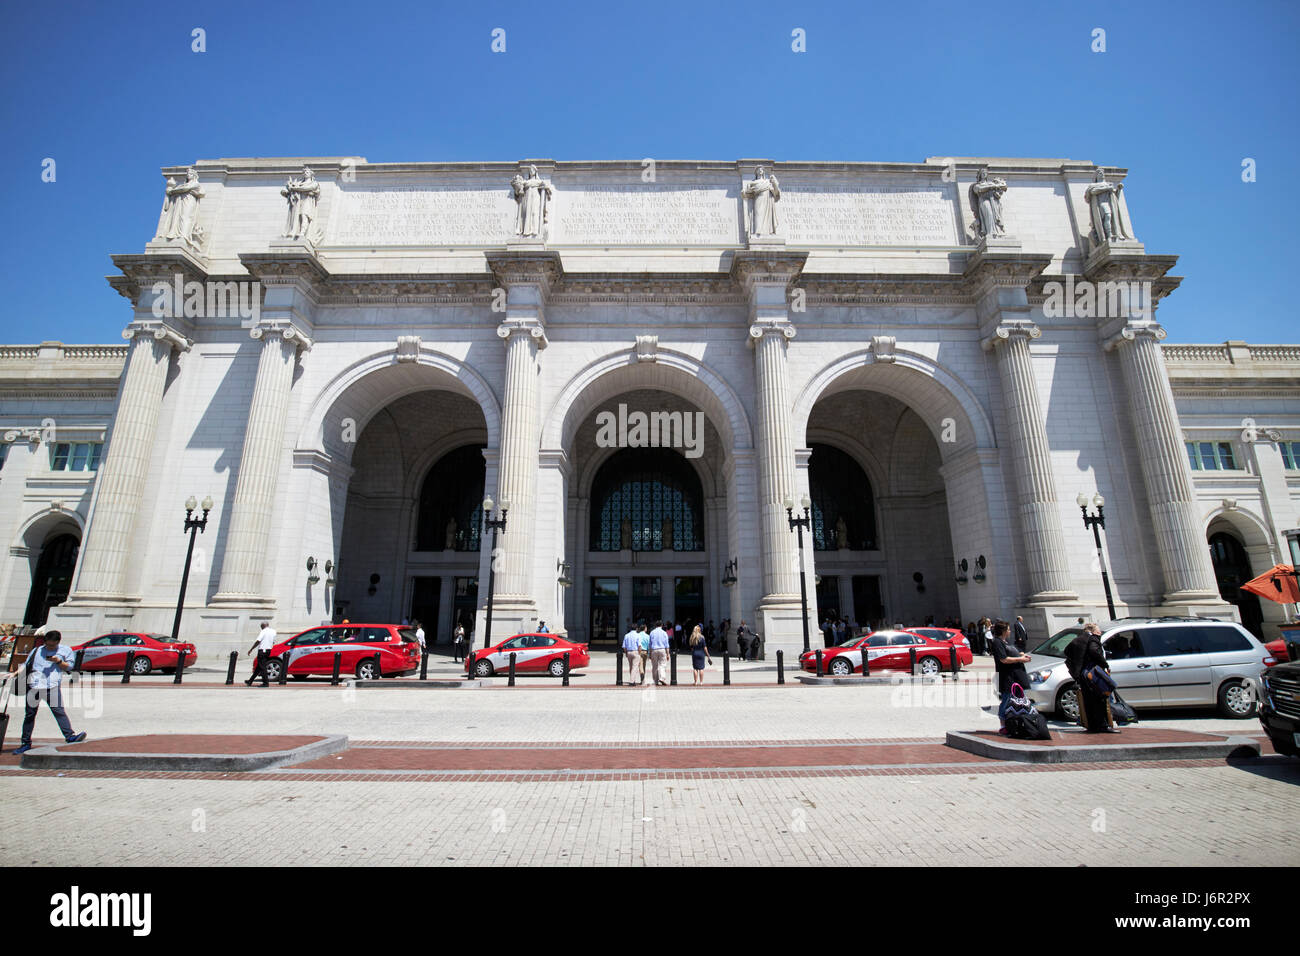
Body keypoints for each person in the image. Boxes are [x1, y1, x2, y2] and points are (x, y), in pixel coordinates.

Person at [13, 631, 86, 754]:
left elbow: (69, 667)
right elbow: (26, 664)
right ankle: (25, 742)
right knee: (30, 715)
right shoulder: (37, 650)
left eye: (52, 646)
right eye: (48, 645)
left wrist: (58, 661)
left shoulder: (65, 650)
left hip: (51, 686)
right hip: (34, 686)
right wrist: (15, 673)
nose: (50, 647)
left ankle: (69, 736)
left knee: (59, 712)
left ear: (58, 642)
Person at [1065, 623, 1118, 733]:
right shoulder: (1093, 639)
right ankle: (1103, 725)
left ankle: (1092, 726)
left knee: (1088, 701)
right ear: (1093, 631)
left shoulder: (1078, 640)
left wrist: (1077, 666)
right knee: (1100, 698)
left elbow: (1067, 651)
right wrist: (1104, 664)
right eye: (1099, 631)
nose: (1100, 633)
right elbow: (1094, 651)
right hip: (1093, 674)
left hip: (1083, 675)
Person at [989, 620, 1032, 735]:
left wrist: (1020, 655)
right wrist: (1020, 659)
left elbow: (1009, 655)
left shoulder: (1004, 642)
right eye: (1008, 629)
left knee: (1015, 700)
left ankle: (1014, 723)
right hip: (1006, 677)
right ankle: (1003, 725)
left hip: (1014, 676)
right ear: (1003, 631)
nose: (1010, 631)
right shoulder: (997, 642)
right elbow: (1003, 659)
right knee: (1007, 699)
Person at [244, 620, 277, 686]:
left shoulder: (263, 631)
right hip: (268, 650)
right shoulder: (273, 631)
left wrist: (251, 649)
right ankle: (250, 681)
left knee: (262, 667)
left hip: (262, 650)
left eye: (261, 626)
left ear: (263, 626)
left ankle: (265, 683)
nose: (261, 628)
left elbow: (258, 641)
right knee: (259, 667)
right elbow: (273, 641)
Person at [648, 620, 670, 686]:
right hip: (662, 649)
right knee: (662, 664)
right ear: (662, 625)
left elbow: (650, 644)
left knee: (654, 666)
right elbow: (667, 644)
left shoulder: (652, 632)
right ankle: (662, 678)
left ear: (655, 625)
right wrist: (668, 654)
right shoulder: (664, 633)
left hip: (654, 650)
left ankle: (655, 680)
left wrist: (650, 653)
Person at [622, 621, 642, 685]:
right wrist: (639, 653)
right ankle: (632, 681)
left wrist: (626, 653)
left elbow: (624, 646)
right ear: (636, 628)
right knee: (635, 667)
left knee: (631, 667)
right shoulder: (638, 635)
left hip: (629, 652)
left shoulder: (626, 635)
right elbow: (639, 645)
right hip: (635, 651)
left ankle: (632, 680)